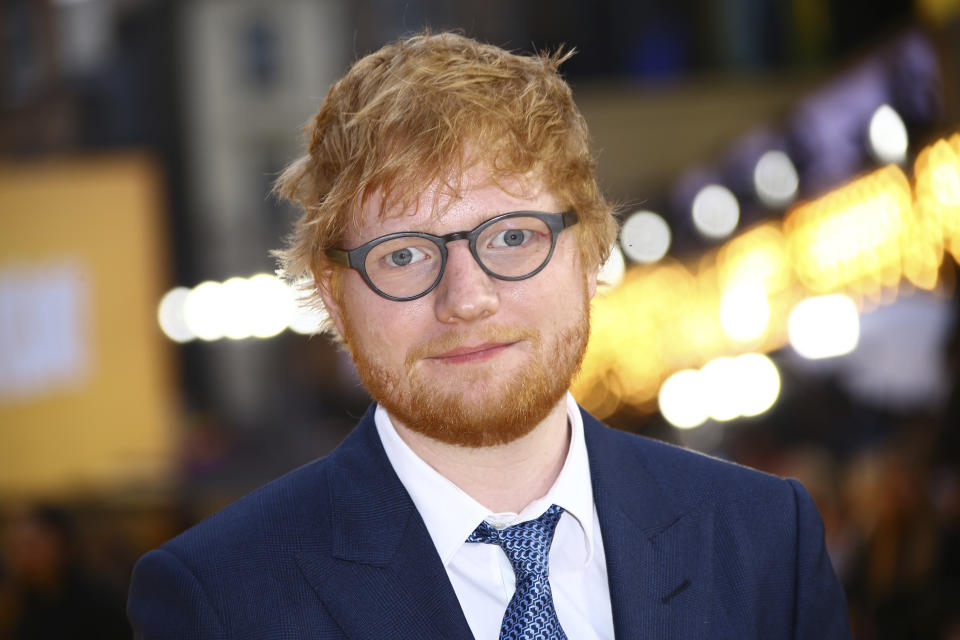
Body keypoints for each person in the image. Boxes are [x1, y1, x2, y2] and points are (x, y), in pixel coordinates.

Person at [127, 32, 851, 639]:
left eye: (511, 236)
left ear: (592, 249)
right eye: (404, 255)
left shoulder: (765, 541)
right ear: (332, 295)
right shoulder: (218, 602)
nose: (467, 299)